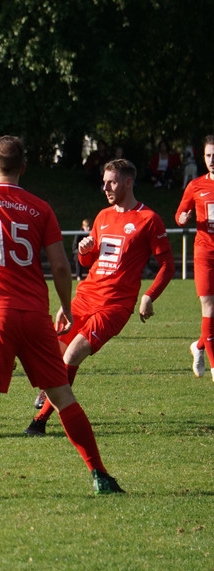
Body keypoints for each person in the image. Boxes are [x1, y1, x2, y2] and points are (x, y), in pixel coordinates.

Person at [0, 135, 123, 499]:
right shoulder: (40, 207)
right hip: (35, 315)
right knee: (62, 394)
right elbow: (60, 266)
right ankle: (100, 476)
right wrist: (66, 305)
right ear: (24, 168)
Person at [25, 159, 174, 435]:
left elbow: (168, 265)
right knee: (53, 353)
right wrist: (84, 250)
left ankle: (39, 421)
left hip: (114, 306)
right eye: (104, 182)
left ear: (128, 182)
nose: (105, 188)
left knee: (73, 354)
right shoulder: (103, 216)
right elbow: (88, 261)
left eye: (111, 182)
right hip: (85, 297)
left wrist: (149, 296)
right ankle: (51, 390)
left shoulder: (149, 219)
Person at [176, 134, 214, 381]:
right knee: (209, 307)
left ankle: (198, 346)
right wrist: (182, 219)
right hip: (205, 254)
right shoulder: (196, 186)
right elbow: (180, 213)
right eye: (208, 155)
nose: (212, 160)